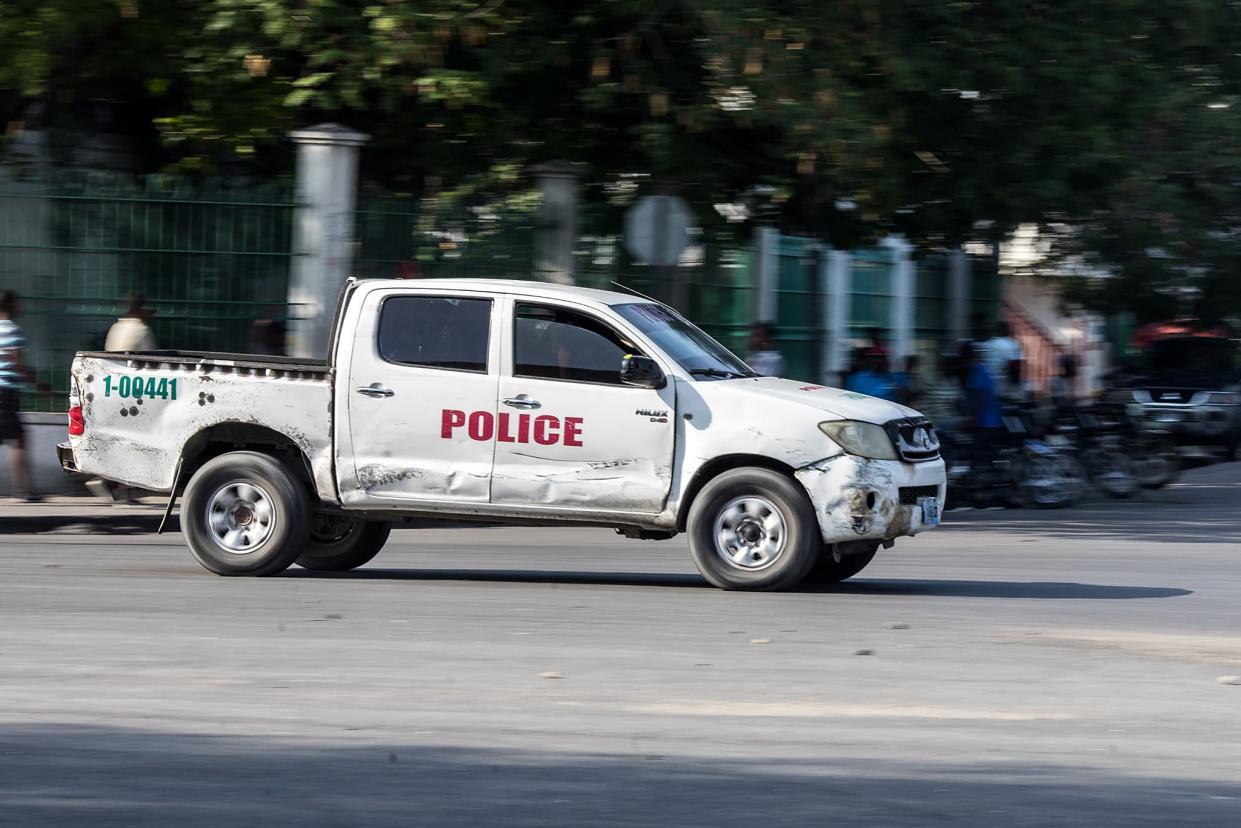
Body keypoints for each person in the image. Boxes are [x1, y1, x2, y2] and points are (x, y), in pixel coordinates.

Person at [0, 290, 42, 501]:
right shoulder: (11, 330)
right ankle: (22, 491)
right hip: (5, 391)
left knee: (16, 438)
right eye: (18, 303)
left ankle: (23, 490)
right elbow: (16, 363)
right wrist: (37, 383)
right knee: (18, 439)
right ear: (10, 305)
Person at [982, 319, 1023, 397]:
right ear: (1007, 330)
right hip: (1003, 385)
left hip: (988, 384)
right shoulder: (1011, 344)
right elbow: (1014, 367)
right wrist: (1016, 387)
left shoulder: (988, 344)